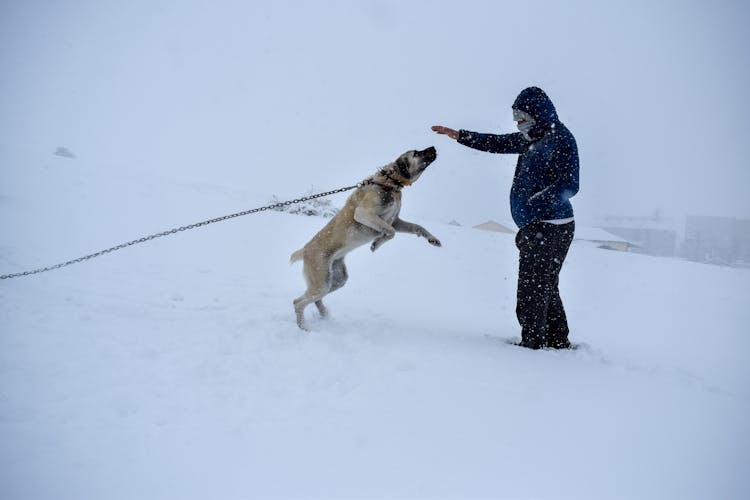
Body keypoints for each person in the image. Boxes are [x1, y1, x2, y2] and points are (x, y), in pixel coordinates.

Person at [432, 86, 579, 349]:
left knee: (532, 289)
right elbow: (498, 142)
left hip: (550, 226)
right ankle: (557, 341)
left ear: (538, 113)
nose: (517, 121)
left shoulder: (560, 139)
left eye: (521, 115)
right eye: (515, 116)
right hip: (540, 226)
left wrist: (534, 207)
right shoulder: (532, 137)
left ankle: (532, 344)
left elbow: (570, 184)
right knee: (545, 285)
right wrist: (461, 136)